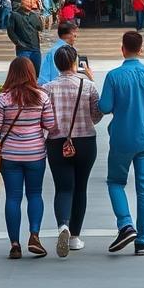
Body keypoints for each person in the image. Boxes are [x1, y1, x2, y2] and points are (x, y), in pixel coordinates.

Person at [99, 32, 144, 255]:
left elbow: (105, 107)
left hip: (121, 138)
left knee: (115, 182)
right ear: (141, 49)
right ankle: (143, 240)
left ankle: (125, 224)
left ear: (122, 49)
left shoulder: (114, 76)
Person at [0, 56, 56, 259]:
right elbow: (50, 124)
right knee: (35, 194)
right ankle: (34, 235)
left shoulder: (3, 98)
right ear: (31, 73)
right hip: (35, 154)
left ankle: (15, 244)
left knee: (13, 197)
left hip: (10, 155)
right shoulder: (41, 97)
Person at [42, 45, 101, 257]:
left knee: (63, 187)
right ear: (76, 62)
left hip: (57, 142)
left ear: (57, 64)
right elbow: (96, 115)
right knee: (81, 188)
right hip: (85, 140)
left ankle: (62, 226)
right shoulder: (88, 86)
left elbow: (44, 120)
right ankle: (75, 236)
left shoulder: (47, 88)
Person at [7, 0, 43, 76]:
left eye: (32, 2)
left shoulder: (33, 15)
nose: (31, 4)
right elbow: (10, 31)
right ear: (23, 2)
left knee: (36, 71)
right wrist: (18, 42)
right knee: (23, 72)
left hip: (35, 48)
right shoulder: (15, 15)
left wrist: (38, 14)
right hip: (23, 49)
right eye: (29, 1)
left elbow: (40, 28)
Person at [38, 20, 77, 85]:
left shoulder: (54, 50)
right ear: (67, 35)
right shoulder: (57, 51)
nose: (75, 35)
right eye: (74, 32)